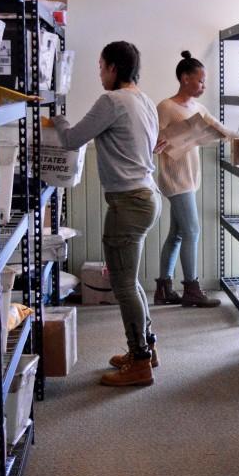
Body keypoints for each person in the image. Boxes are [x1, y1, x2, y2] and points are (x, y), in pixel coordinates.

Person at [51, 41, 161, 387]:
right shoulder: (143, 99)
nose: (99, 74)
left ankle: (139, 362)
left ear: (114, 68)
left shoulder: (111, 101)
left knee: (123, 283)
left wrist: (55, 116)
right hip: (145, 196)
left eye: (101, 67)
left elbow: (70, 139)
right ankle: (146, 349)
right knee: (131, 281)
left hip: (128, 202)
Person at [152, 51, 221, 308]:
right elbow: (153, 139)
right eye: (200, 81)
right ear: (185, 78)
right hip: (174, 177)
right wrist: (158, 143)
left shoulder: (198, 108)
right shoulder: (166, 107)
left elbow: (216, 127)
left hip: (191, 177)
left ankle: (163, 288)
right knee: (192, 230)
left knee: (178, 233)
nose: (203, 85)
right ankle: (191, 288)